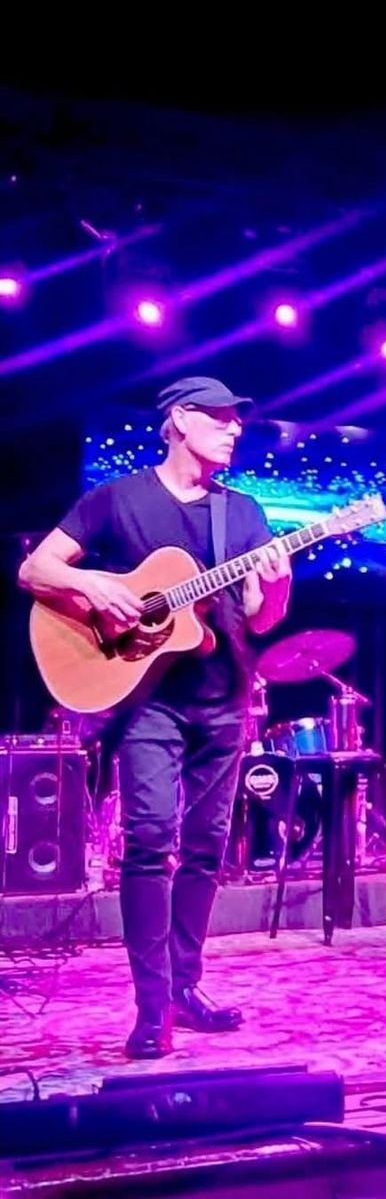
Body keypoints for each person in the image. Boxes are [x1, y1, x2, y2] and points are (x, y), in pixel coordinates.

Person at [18, 377, 291, 1057]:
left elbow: (263, 619)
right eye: (221, 418)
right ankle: (151, 1007)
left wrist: (278, 585)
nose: (234, 429)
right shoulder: (118, 499)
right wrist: (91, 583)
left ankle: (185, 986)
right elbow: (35, 570)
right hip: (149, 701)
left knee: (205, 848)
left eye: (237, 420)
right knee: (149, 839)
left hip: (224, 698)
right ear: (180, 420)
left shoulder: (244, 513)